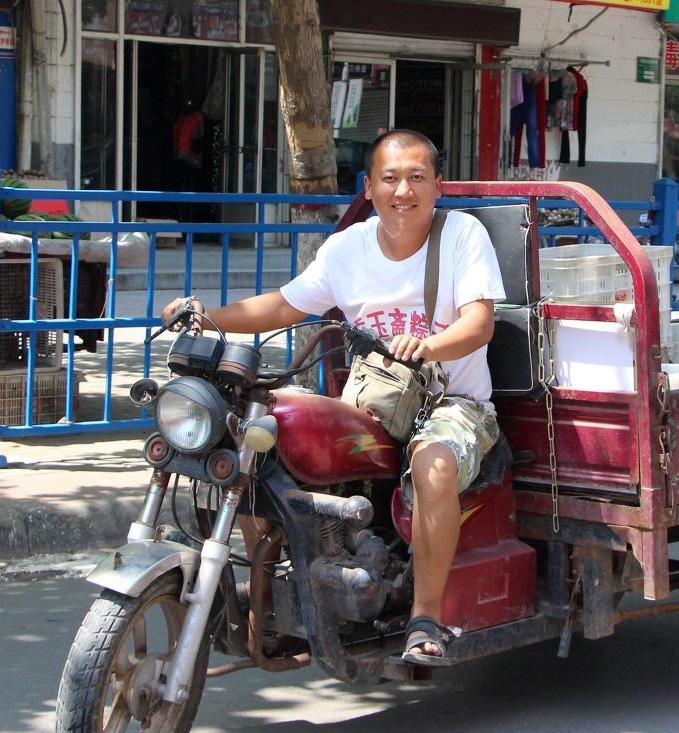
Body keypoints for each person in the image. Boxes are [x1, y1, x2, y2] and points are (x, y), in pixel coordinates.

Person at [162, 129, 507, 665]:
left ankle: (425, 617)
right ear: (368, 188)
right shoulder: (348, 247)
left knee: (434, 466)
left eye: (418, 177)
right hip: (373, 402)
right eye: (390, 178)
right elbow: (283, 306)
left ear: (438, 186)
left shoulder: (461, 234)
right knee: (257, 442)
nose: (403, 190)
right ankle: (271, 584)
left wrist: (429, 344)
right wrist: (209, 319)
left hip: (452, 403)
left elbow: (480, 323)